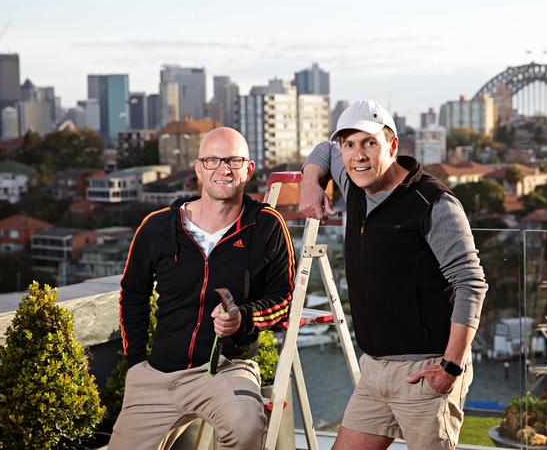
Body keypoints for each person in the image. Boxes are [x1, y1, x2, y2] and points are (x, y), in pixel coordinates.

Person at [300, 100, 488, 450]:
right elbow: (324, 150)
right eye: (349, 144)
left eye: (369, 143)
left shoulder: (432, 203)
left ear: (393, 145)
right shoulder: (354, 181)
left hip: (425, 372)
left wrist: (450, 367)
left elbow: (471, 283)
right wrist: (310, 180)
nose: (357, 155)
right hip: (374, 371)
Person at [110, 128, 295, 450]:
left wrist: (244, 318)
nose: (223, 170)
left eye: (233, 161)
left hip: (226, 369)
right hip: (156, 373)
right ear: (198, 168)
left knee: (245, 427)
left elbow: (285, 301)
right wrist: (136, 364)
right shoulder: (157, 226)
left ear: (248, 169)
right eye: (212, 160)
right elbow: (133, 295)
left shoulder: (266, 225)